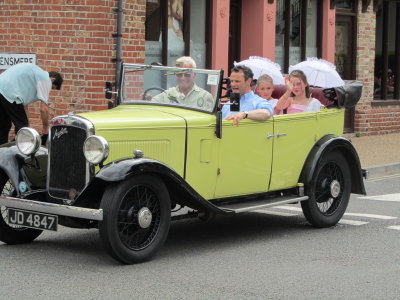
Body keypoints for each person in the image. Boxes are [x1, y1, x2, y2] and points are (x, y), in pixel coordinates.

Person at [0, 63, 63, 145]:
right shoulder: (45, 78)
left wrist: (27, 125)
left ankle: (1, 152)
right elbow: (44, 109)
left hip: (2, 89)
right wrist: (45, 129)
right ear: (53, 79)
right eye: (52, 87)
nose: (49, 90)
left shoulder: (34, 75)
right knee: (22, 127)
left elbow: (24, 106)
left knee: (4, 125)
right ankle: (22, 150)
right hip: (10, 92)